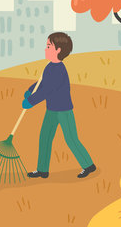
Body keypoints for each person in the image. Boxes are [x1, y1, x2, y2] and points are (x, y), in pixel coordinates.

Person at [22, 32, 97, 179]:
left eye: (49, 46)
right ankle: (42, 169)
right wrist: (30, 90)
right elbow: (41, 83)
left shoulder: (59, 70)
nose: (45, 49)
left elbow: (48, 90)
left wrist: (31, 101)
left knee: (71, 138)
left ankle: (88, 165)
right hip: (51, 110)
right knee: (44, 137)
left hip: (64, 110)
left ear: (58, 50)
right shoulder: (49, 67)